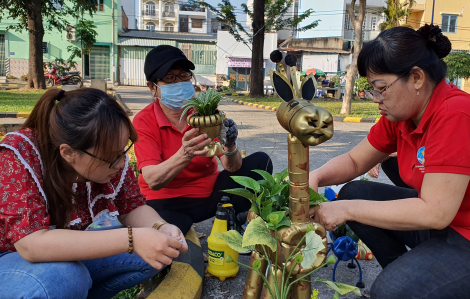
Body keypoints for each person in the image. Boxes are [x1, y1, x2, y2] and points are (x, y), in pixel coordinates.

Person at [308, 24, 470, 298]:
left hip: (463, 233)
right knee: (355, 191)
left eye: (381, 88)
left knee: (388, 291)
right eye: (373, 90)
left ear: (417, 78)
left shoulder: (455, 114)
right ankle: (411, 278)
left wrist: (346, 210)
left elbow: (436, 212)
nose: (376, 99)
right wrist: (315, 178)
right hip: (442, 226)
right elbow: (354, 161)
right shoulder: (401, 116)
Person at [0, 88, 188, 299]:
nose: (122, 163)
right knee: (64, 278)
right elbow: (30, 245)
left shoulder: (109, 155)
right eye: (112, 157)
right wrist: (132, 238)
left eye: (124, 150)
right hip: (10, 256)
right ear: (68, 153)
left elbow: (132, 206)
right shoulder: (19, 154)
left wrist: (160, 227)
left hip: (60, 248)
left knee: (155, 253)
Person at [133, 45, 273, 235]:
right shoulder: (144, 121)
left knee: (260, 163)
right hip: (165, 203)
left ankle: (235, 217)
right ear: (152, 87)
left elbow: (232, 167)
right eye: (169, 78)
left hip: (209, 197)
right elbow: (153, 180)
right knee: (167, 239)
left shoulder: (205, 115)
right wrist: (185, 153)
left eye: (184, 76)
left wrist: (229, 145)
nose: (179, 82)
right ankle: (183, 224)